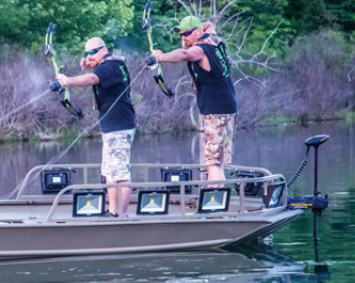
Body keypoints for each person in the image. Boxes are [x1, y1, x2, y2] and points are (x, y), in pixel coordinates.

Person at [56, 37, 136, 217]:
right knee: (109, 171)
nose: (88, 56)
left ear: (102, 50)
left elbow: (93, 79)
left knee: (120, 173)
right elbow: (97, 74)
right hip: (112, 126)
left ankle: (121, 216)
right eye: (86, 53)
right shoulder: (111, 64)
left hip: (119, 125)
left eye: (92, 53)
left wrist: (67, 81)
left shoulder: (110, 67)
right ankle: (113, 211)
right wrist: (90, 65)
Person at [152, 16, 238, 184]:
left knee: (212, 163)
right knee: (217, 161)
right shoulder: (213, 38)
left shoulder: (200, 50)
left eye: (188, 33)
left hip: (216, 110)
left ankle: (215, 201)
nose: (184, 37)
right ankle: (219, 198)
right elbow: (209, 24)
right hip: (227, 106)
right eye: (182, 34)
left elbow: (184, 54)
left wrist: (161, 57)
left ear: (198, 31)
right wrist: (192, 29)